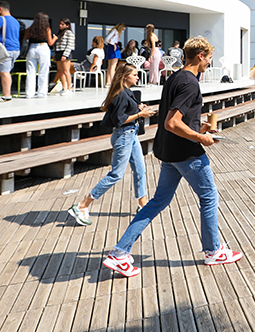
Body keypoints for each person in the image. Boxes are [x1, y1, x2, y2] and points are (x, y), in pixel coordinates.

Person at [102, 37, 241, 277]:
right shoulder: (190, 83)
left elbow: (176, 117)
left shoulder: (175, 77)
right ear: (200, 56)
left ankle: (119, 253)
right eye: (209, 58)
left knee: (157, 202)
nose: (210, 62)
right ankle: (213, 251)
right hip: (186, 153)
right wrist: (201, 138)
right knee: (209, 197)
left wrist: (200, 126)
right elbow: (172, 122)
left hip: (169, 152)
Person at [68, 65, 155, 226]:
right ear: (124, 77)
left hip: (131, 134)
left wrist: (139, 108)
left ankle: (143, 204)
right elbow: (119, 119)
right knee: (116, 174)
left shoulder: (127, 92)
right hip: (124, 136)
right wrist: (139, 114)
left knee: (140, 169)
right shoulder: (121, 95)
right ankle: (82, 205)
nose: (138, 77)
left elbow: (125, 112)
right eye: (134, 75)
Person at [23, 13, 57, 99]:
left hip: (32, 49)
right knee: (43, 72)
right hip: (43, 48)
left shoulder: (29, 29)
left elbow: (25, 40)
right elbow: (50, 43)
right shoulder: (47, 29)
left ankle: (29, 94)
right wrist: (55, 38)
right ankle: (41, 93)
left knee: (30, 72)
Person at [53, 19, 75, 95]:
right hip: (58, 52)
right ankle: (63, 88)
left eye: (62, 24)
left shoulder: (69, 33)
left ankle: (69, 88)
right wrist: (55, 54)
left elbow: (69, 44)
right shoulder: (60, 33)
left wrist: (65, 54)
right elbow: (56, 45)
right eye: (60, 24)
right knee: (60, 71)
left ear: (67, 25)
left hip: (65, 53)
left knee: (66, 71)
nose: (60, 25)